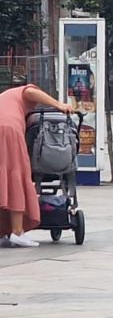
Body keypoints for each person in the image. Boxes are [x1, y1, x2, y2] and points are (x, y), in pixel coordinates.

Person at [0, 84, 75, 248]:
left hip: (4, 128)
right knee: (16, 177)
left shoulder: (6, 98)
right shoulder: (23, 91)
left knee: (3, 179)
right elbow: (31, 92)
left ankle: (4, 230)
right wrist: (59, 105)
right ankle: (17, 231)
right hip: (8, 130)